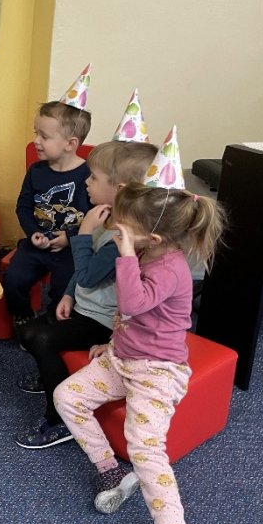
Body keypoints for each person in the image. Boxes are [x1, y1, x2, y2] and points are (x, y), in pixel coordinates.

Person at [53, 137, 226, 524]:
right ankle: (110, 472)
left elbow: (132, 302)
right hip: (123, 357)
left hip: (157, 371)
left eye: (124, 228)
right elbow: (128, 315)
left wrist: (126, 254)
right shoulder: (147, 252)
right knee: (67, 396)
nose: (116, 230)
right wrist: (111, 343)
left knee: (146, 449)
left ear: (152, 238)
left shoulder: (168, 266)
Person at [14, 140, 157, 448]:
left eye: (93, 178)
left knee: (41, 339)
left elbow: (89, 275)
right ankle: (51, 376)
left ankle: (59, 420)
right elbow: (81, 274)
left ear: (119, 188)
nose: (86, 183)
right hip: (82, 306)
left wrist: (83, 233)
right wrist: (68, 294)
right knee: (27, 332)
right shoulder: (104, 218)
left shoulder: (121, 236)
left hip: (103, 322)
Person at [3, 93, 92, 329]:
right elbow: (23, 207)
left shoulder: (90, 177)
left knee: (66, 286)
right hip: (37, 242)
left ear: (70, 144)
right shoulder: (36, 171)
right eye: (36, 133)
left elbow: (98, 219)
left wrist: (70, 238)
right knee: (13, 278)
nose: (36, 141)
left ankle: (52, 323)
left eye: (44, 136)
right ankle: (23, 315)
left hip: (71, 249)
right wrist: (34, 233)